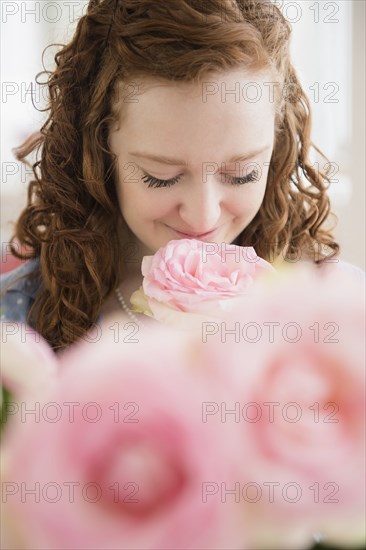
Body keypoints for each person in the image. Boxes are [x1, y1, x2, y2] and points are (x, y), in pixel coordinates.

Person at [0, 0, 363, 352]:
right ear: (97, 150)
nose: (203, 217)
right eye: (161, 177)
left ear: (278, 145)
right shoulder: (17, 326)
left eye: (242, 174)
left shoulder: (340, 308)